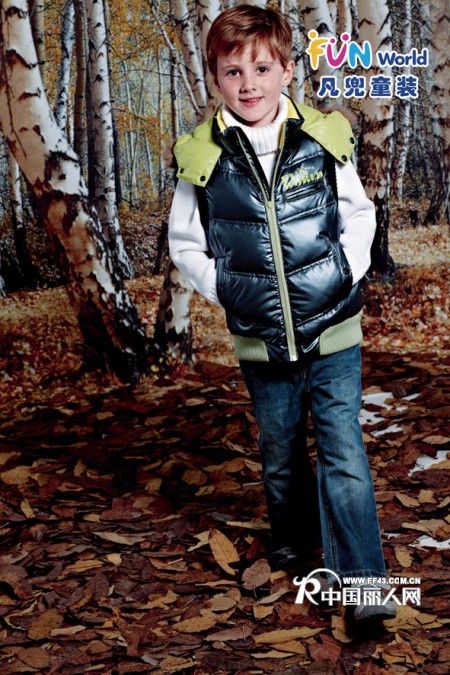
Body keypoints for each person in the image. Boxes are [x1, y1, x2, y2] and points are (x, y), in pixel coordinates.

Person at [168, 4, 396, 624]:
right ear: (216, 78)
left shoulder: (321, 137)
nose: (249, 84)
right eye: (233, 71)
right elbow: (184, 243)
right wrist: (229, 289)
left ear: (288, 70)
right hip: (261, 338)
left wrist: (344, 272)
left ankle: (365, 588)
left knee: (344, 449)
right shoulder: (201, 156)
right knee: (280, 450)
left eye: (262, 68)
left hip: (334, 327)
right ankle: (296, 545)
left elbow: (359, 215)